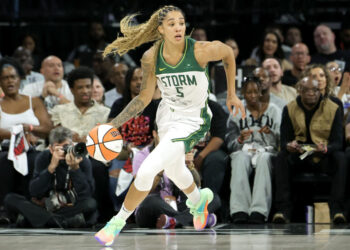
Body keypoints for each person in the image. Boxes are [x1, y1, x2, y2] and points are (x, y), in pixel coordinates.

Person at [94, 5, 245, 246]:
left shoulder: (200, 51)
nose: (178, 27)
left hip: (193, 119)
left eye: (181, 22)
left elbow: (227, 53)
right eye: (172, 23)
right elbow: (143, 98)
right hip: (167, 116)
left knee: (146, 171)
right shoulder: (151, 57)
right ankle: (199, 202)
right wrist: (113, 124)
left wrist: (231, 95)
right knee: (174, 170)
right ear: (160, 29)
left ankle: (116, 222)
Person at [272, 77, 346, 224]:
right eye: (307, 90)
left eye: (316, 90)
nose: (312, 93)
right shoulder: (290, 108)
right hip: (300, 155)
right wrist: (289, 145)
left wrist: (327, 148)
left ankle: (337, 210)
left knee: (341, 158)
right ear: (300, 91)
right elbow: (285, 139)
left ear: (321, 91)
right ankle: (283, 210)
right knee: (281, 157)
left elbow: (338, 142)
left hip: (324, 156)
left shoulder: (333, 108)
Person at [4, 127, 97, 228]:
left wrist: (75, 169)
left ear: (72, 145)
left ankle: (38, 219)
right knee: (10, 199)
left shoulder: (81, 160)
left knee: (90, 204)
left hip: (68, 206)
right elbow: (34, 191)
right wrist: (50, 168)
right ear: (51, 149)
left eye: (66, 147)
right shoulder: (43, 157)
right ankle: (62, 222)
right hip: (44, 206)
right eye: (58, 148)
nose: (63, 151)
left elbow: (86, 194)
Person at [0, 58, 52, 222]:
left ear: (20, 78)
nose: (9, 81)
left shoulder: (34, 101)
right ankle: (5, 210)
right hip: (6, 150)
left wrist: (29, 128)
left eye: (13, 77)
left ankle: (30, 208)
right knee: (4, 161)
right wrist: (19, 134)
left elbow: (47, 127)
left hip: (33, 149)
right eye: (5, 78)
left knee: (35, 159)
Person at [226, 78, 281, 224]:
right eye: (248, 92)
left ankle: (259, 211)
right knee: (239, 158)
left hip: (267, 150)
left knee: (264, 159)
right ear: (243, 93)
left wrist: (272, 134)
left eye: (256, 92)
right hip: (245, 149)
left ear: (261, 93)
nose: (252, 95)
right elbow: (229, 142)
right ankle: (239, 210)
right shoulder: (236, 111)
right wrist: (239, 139)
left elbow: (282, 140)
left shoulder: (274, 110)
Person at [50, 67, 110, 143]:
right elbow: (57, 136)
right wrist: (69, 136)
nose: (85, 91)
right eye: (80, 88)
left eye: (88, 87)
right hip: (64, 151)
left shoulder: (106, 113)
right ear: (72, 90)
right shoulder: (58, 111)